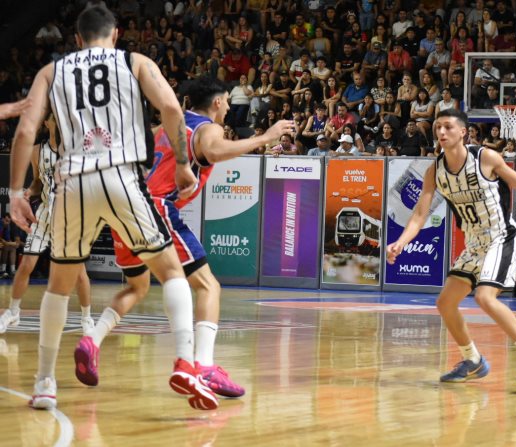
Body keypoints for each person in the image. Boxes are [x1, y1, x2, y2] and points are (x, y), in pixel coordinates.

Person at [9, 5, 214, 411]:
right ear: (116, 34)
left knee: (59, 285)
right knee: (172, 272)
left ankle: (45, 382)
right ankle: (186, 362)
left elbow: (26, 129)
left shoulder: (51, 72)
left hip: (72, 182)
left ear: (78, 38)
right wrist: (182, 163)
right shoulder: (135, 61)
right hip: (122, 177)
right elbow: (172, 109)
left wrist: (16, 191)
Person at [78, 76, 295, 399]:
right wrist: (266, 136)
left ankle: (91, 341)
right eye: (225, 104)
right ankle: (203, 366)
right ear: (219, 102)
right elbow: (213, 150)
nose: (225, 112)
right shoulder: (208, 128)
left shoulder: (165, 126)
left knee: (137, 286)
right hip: (157, 209)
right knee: (208, 286)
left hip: (125, 208)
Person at [386, 108, 516, 385]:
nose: (441, 132)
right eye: (438, 127)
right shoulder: (435, 170)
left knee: (485, 298)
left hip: (503, 236)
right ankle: (473, 360)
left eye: (448, 127)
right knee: (445, 303)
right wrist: (401, 243)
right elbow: (419, 214)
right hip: (474, 242)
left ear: (463, 132)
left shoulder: (485, 157)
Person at [0, 115, 94, 335]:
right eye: (55, 117)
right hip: (43, 214)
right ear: (47, 123)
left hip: (69, 216)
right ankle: (13, 312)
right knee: (26, 265)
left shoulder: (77, 149)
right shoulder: (37, 151)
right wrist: (28, 192)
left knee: (79, 273)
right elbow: (37, 182)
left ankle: (87, 318)